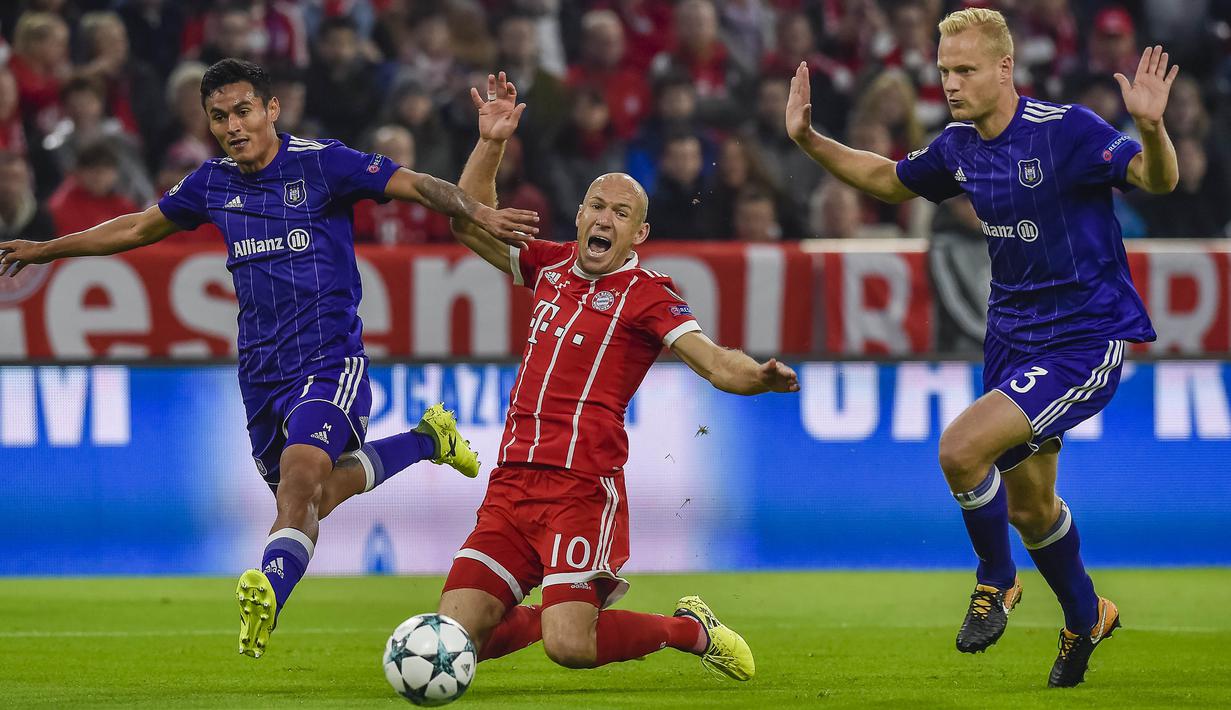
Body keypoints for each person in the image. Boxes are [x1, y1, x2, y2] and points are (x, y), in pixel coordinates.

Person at [0, 58, 541, 659]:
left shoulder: (322, 161)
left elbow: (415, 184)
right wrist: (49, 248)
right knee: (313, 500)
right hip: (260, 375)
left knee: (301, 482)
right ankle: (425, 440)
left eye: (242, 111)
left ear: (271, 110)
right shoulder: (211, 183)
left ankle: (268, 590)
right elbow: (135, 229)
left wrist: (480, 211)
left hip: (329, 361)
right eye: (218, 117)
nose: (232, 126)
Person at [787, 7, 1177, 688]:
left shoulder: (1069, 132)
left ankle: (994, 582)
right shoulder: (959, 145)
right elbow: (887, 179)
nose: (950, 84)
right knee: (1029, 509)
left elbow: (1156, 180)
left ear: (1005, 68)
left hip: (1082, 338)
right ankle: (1087, 616)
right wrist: (807, 139)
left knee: (960, 449)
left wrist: (1148, 124)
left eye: (964, 69)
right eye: (943, 71)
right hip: (1010, 340)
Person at [438, 72, 798, 682]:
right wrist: (492, 142)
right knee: (454, 635)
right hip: (511, 484)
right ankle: (547, 611)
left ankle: (689, 631)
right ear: (579, 216)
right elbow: (467, 223)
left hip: (581, 488)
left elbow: (713, 360)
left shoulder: (648, 294)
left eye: (621, 212)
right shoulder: (549, 266)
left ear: (639, 233)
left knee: (569, 647)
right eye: (597, 206)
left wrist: (757, 375)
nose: (605, 218)